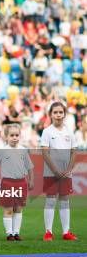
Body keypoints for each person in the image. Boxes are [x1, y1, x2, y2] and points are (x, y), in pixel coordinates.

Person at [0, 124, 34, 241]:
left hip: (21, 182)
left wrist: (31, 180)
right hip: (7, 183)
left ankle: (16, 233)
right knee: (8, 209)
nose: (14, 137)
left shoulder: (23, 150)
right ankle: (9, 234)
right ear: (6, 137)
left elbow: (29, 167)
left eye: (17, 135)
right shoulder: (3, 150)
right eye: (12, 135)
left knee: (18, 208)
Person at [41, 102, 78, 241]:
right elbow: (45, 153)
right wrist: (55, 170)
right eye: (55, 112)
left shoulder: (69, 132)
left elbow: (74, 152)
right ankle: (48, 232)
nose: (58, 115)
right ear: (50, 114)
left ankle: (66, 232)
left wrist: (68, 170)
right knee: (50, 200)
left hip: (66, 173)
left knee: (64, 201)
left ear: (64, 114)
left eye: (60, 112)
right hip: (51, 173)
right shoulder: (47, 131)